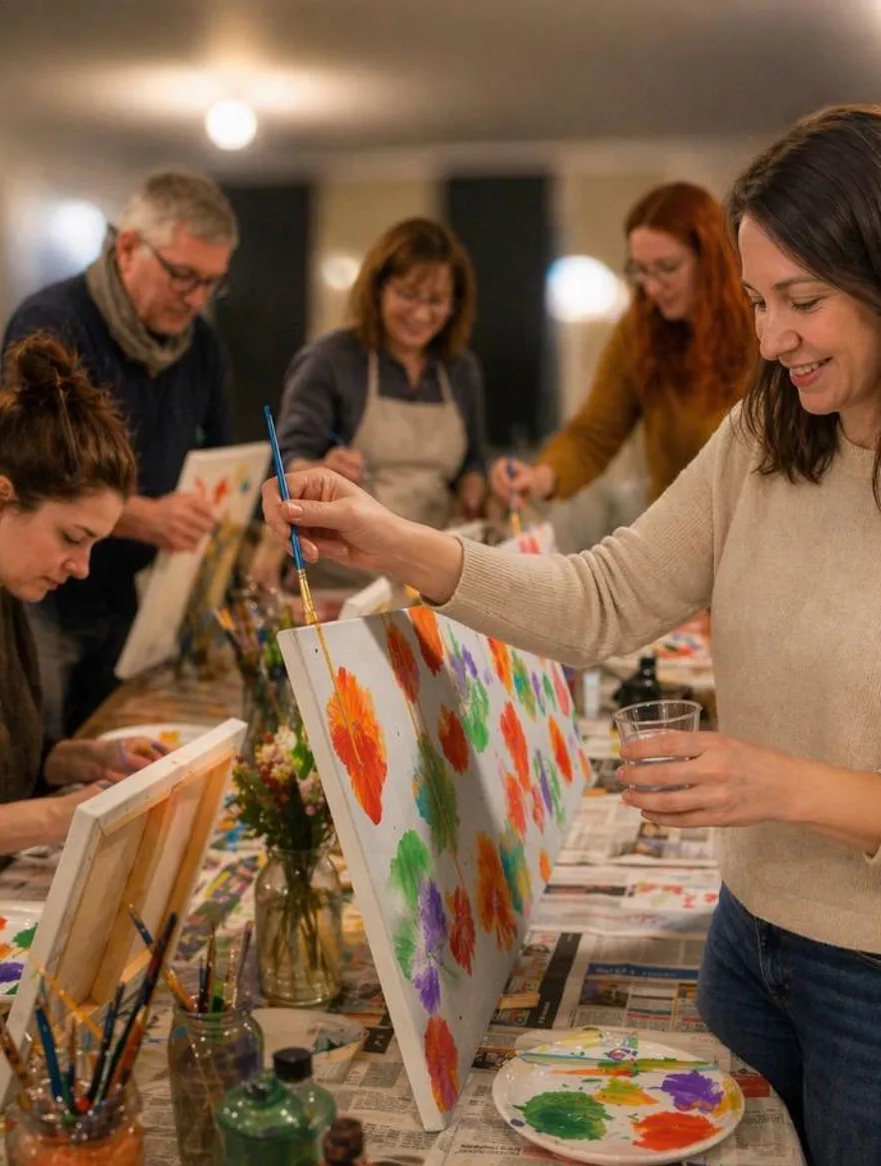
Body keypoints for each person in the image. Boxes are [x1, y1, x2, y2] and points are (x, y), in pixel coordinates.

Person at [264, 105, 881, 1166]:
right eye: (753, 300)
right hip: (745, 937)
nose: (770, 336)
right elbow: (601, 597)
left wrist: (778, 783)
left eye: (802, 301)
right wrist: (397, 542)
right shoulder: (765, 433)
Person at [1, 171, 239, 736]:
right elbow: (36, 471)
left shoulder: (201, 345)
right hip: (44, 591)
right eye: (184, 276)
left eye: (212, 283)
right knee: (38, 752)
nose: (197, 298)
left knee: (109, 742)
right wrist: (145, 517)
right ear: (127, 246)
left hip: (134, 594)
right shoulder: (52, 323)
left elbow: (225, 451)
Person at [0, 333, 168, 885]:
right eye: (70, 537)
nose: (80, 567)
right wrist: (60, 816)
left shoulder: (3, 594)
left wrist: (77, 760)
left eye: (93, 546)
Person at [489, 181, 754, 512]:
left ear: (711, 259)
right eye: (641, 271)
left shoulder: (761, 325)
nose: (653, 287)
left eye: (668, 268)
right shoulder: (641, 328)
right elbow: (594, 434)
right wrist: (539, 477)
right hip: (675, 531)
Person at [277, 217, 487, 534]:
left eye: (436, 301)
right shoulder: (330, 360)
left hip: (433, 561)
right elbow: (287, 463)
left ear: (455, 304)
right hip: (345, 566)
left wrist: (477, 491)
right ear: (377, 289)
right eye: (407, 294)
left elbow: (473, 463)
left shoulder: (460, 369)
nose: (420, 313)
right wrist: (322, 469)